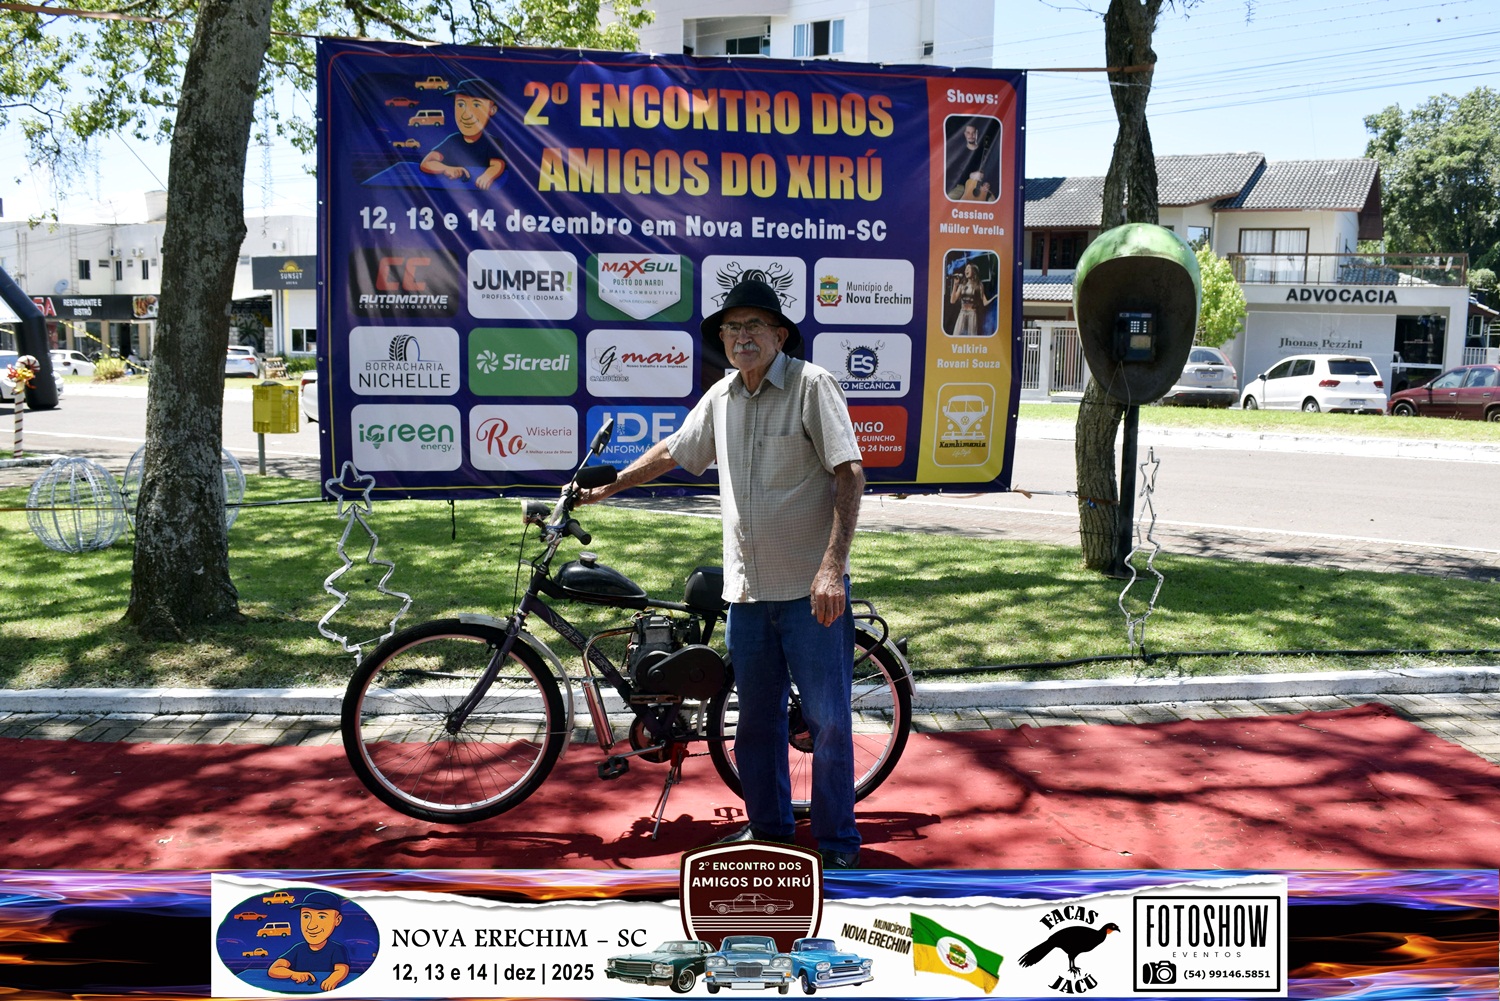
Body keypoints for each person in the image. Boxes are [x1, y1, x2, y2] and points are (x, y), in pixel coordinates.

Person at [580, 278, 866, 869]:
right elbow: (673, 451)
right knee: (755, 725)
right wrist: (611, 486)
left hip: (811, 594)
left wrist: (832, 568)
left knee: (829, 723)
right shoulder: (722, 396)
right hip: (748, 595)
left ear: (779, 335)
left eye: (753, 325)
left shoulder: (812, 386)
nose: (741, 337)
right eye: (732, 328)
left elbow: (849, 473)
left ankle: (838, 842)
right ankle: (770, 831)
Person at [420, 78, 507, 189]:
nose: (466, 115)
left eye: (476, 105)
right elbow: (427, 162)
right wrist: (446, 168)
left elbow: (497, 165)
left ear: (492, 110)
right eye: (461, 105)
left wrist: (488, 175)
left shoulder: (491, 142)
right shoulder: (453, 140)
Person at [266, 890, 351, 991]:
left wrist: (333, 979)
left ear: (337, 920)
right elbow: (274, 969)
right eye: (306, 916)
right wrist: (292, 974)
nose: (311, 926)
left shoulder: (337, 949)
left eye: (322, 917)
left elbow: (342, 969)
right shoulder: (298, 949)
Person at [945, 118, 1001, 202]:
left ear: (977, 133)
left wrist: (987, 183)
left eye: (973, 132)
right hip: (962, 186)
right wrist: (970, 176)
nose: (971, 135)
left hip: (981, 187)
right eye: (968, 133)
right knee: (949, 199)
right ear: (964, 134)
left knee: (992, 202)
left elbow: (992, 171)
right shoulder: (959, 152)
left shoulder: (984, 151)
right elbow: (954, 174)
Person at [948, 261, 996, 336]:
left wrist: (995, 297)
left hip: (972, 314)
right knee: (957, 335)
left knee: (971, 336)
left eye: (968, 268)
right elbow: (952, 301)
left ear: (973, 271)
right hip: (962, 313)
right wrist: (955, 285)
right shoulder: (962, 285)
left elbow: (985, 302)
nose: (966, 270)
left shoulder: (979, 285)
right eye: (965, 269)